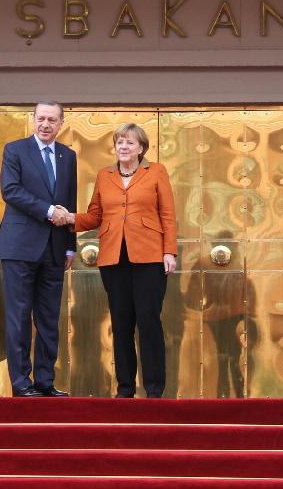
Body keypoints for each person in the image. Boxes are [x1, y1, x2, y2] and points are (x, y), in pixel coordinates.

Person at [61, 123, 177, 398]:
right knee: (121, 322)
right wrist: (69, 219)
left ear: (141, 148)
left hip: (149, 257)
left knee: (149, 321)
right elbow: (94, 215)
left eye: (130, 143)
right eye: (120, 142)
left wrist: (169, 251)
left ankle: (154, 389)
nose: (123, 147)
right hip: (114, 259)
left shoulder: (156, 171)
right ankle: (124, 389)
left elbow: (168, 214)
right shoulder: (105, 175)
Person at [0, 101, 77, 397]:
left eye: (52, 120)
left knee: (48, 317)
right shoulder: (14, 150)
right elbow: (11, 190)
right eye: (41, 118)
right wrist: (47, 210)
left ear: (61, 123)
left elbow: (70, 201)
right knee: (19, 317)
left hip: (55, 249)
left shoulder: (68, 156)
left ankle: (45, 381)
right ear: (33, 120)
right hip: (19, 247)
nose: (45, 124)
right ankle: (22, 383)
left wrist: (70, 246)